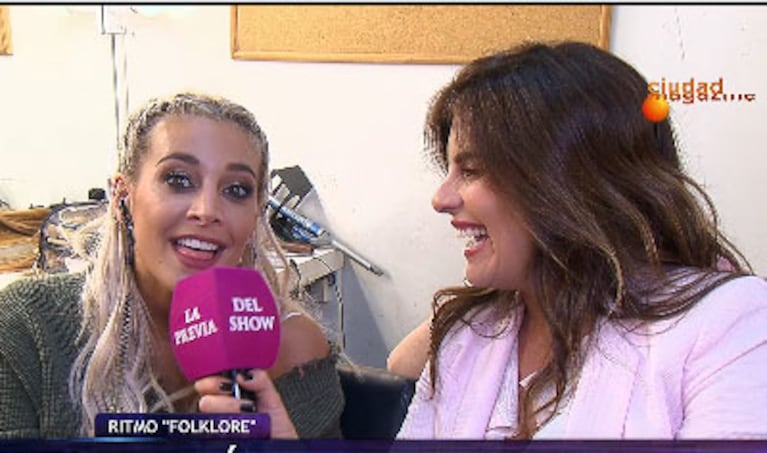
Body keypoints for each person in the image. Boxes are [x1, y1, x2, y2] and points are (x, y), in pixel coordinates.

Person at [394, 41, 767, 439]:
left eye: (470, 170)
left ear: (567, 183)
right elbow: (401, 366)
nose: (441, 199)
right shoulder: (468, 334)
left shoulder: (727, 321)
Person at [0, 92, 343, 439]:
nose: (207, 210)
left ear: (256, 213)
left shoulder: (294, 347)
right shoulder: (29, 327)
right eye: (178, 180)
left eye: (237, 190)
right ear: (122, 196)